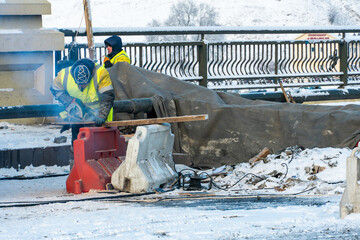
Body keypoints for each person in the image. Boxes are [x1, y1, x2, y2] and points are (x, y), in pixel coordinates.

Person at [50, 58, 115, 143]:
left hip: (97, 117)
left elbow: (107, 97)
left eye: (85, 84)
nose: (82, 87)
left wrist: (102, 115)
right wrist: (69, 101)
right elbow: (54, 89)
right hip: (78, 117)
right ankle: (75, 155)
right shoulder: (64, 75)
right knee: (77, 143)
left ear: (90, 76)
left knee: (99, 145)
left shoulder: (101, 73)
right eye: (80, 85)